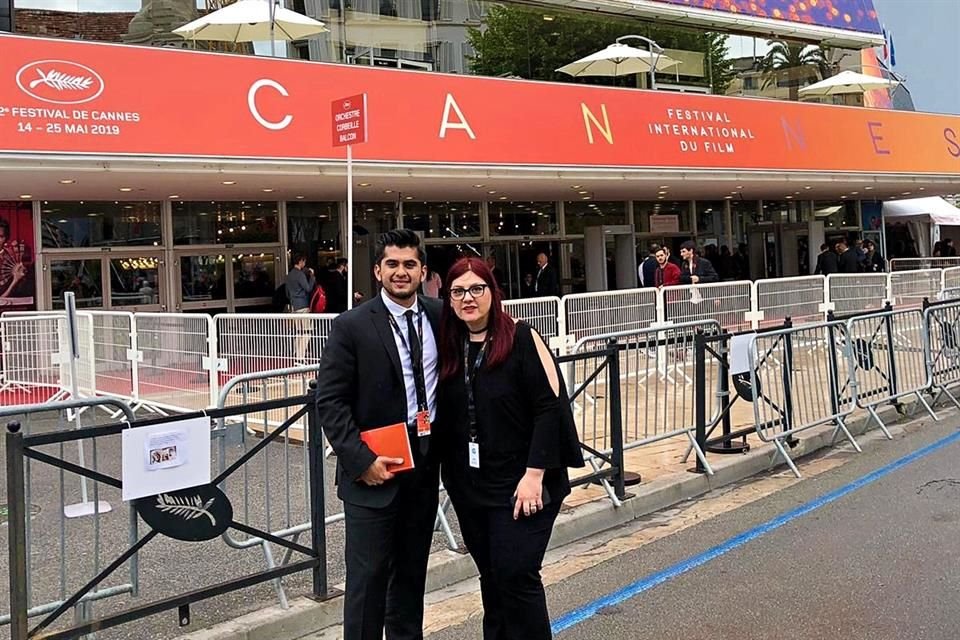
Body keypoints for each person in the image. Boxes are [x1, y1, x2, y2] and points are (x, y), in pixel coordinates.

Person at [437, 256, 583, 640]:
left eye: (476, 288)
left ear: (492, 291)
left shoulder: (520, 337)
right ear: (448, 298)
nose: (468, 298)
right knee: (493, 579)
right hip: (471, 488)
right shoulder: (448, 346)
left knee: (516, 575)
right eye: (458, 291)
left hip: (522, 484)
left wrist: (535, 475)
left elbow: (549, 408)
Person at [314, 229, 442, 640]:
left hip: (423, 471)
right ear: (377, 270)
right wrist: (360, 461)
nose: (400, 272)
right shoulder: (351, 325)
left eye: (409, 264)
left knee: (409, 580)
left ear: (423, 271)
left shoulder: (442, 317)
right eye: (392, 264)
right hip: (373, 474)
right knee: (368, 583)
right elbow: (330, 402)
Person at [286, 253, 316, 362]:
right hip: (303, 305)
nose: (305, 264)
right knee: (307, 332)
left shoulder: (289, 275)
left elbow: (287, 293)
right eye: (304, 261)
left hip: (294, 306)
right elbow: (308, 288)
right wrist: (312, 277)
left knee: (299, 332)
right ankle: (300, 357)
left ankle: (297, 355)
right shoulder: (300, 274)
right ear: (300, 261)